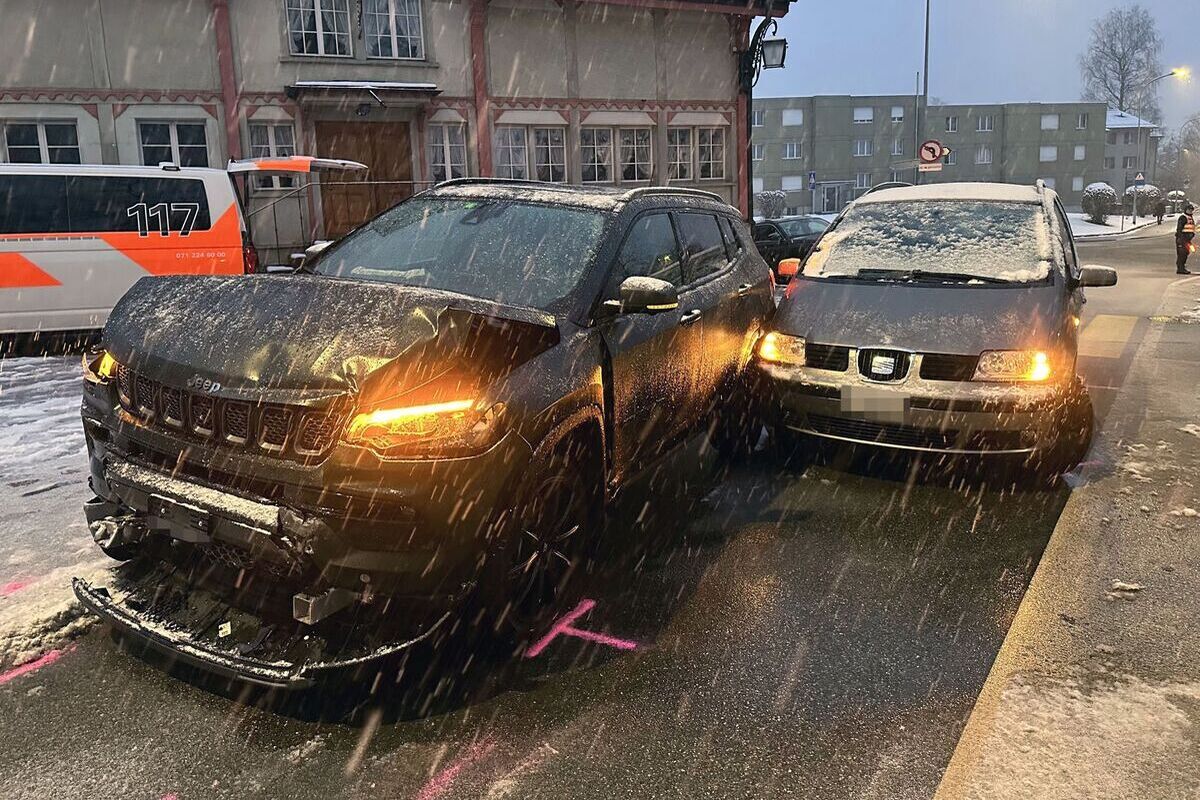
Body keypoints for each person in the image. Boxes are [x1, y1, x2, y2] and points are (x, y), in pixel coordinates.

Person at [1178, 203, 1196, 275]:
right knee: (1182, 254)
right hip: (1183, 239)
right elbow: (1179, 228)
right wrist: (1180, 237)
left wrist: (1192, 234)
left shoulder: (1190, 218)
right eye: (1189, 210)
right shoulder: (1183, 217)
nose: (1190, 211)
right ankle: (1180, 268)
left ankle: (1182, 267)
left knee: (1186, 253)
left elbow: (1191, 227)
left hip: (1188, 239)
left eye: (1191, 210)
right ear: (1186, 210)